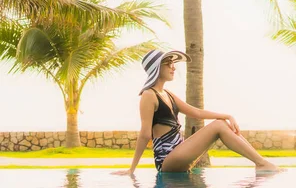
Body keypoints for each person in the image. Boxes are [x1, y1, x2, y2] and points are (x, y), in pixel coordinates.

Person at [113, 49, 280, 175]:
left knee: (221, 123)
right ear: (157, 68)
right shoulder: (149, 95)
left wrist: (227, 115)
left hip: (179, 153)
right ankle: (261, 163)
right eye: (168, 63)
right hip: (167, 159)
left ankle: (260, 162)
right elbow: (144, 134)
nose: (173, 67)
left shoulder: (168, 94)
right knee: (218, 126)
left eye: (173, 63)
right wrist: (131, 169)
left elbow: (196, 112)